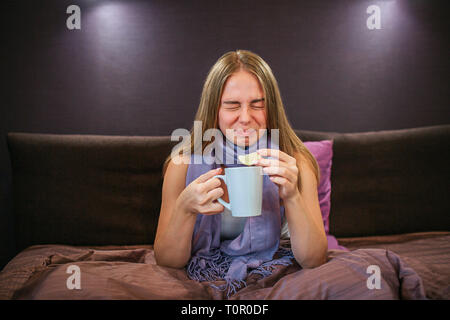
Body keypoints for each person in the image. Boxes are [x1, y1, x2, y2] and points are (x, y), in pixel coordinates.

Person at [154, 50, 327, 294]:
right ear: (214, 109)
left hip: (273, 268)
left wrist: (292, 197)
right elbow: (167, 261)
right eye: (232, 106)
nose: (245, 118)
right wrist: (185, 208)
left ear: (272, 109)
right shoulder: (182, 166)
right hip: (209, 269)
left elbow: (314, 259)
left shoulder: (295, 162)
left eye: (257, 105)